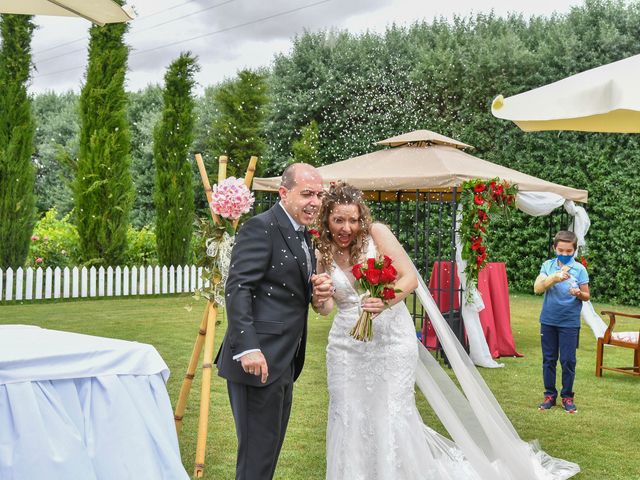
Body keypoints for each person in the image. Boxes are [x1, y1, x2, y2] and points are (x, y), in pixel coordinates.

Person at [314, 181, 581, 480]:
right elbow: (325, 309)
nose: (347, 227)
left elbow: (409, 278)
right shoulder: (321, 249)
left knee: (391, 409)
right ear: (327, 219)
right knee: (347, 410)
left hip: (390, 338)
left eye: (353, 219)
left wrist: (384, 300)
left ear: (362, 218)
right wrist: (319, 297)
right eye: (339, 220)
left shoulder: (377, 233)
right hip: (346, 345)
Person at [216, 163, 334, 480]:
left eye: (319, 195)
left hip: (283, 360)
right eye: (307, 194)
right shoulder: (261, 227)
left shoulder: (302, 235)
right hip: (258, 360)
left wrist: (316, 289)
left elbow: (284, 289)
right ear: (284, 193)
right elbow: (239, 287)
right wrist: (249, 348)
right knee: (256, 460)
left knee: (266, 456)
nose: (315, 202)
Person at [534, 230, 590, 414]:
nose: (564, 254)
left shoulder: (580, 269)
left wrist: (579, 294)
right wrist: (555, 277)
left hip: (569, 323)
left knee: (568, 361)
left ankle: (567, 397)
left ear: (574, 250)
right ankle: (549, 395)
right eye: (561, 250)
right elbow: (538, 289)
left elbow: (587, 295)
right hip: (549, 320)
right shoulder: (548, 266)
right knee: (549, 360)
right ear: (554, 248)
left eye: (569, 251)